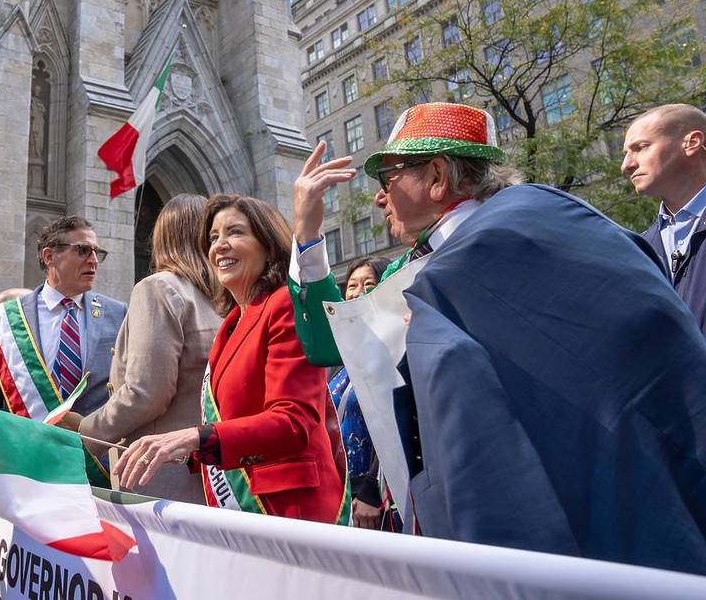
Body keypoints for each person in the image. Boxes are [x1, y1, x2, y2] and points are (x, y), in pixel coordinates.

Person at [291, 102, 706, 573]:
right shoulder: (528, 221)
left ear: (437, 177)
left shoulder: (486, 250)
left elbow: (481, 455)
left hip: (600, 523)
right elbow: (334, 348)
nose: (379, 198)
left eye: (388, 178)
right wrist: (306, 233)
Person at [115, 195, 349, 524]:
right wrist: (184, 451)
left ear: (267, 244)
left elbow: (293, 423)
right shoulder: (231, 324)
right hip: (242, 505)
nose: (220, 245)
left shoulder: (284, 305)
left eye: (235, 232)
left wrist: (194, 437)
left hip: (290, 508)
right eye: (213, 237)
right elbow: (235, 416)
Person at [0, 216, 126, 471]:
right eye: (83, 250)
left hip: (94, 464)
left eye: (98, 252)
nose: (94, 260)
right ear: (49, 256)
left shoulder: (117, 314)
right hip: (23, 463)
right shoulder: (5, 319)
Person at [79, 194, 222, 503]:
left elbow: (146, 393)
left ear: (163, 237)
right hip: (214, 474)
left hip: (159, 475)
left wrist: (83, 437)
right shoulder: (223, 299)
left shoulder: (158, 288)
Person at [621, 103, 706, 336]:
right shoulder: (638, 249)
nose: (626, 165)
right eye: (626, 153)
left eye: (641, 147)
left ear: (691, 143)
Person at [328, 256, 390, 529]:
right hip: (338, 491)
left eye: (369, 283)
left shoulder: (392, 349)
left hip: (372, 497)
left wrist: (372, 491)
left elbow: (395, 424)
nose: (358, 291)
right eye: (351, 285)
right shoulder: (341, 356)